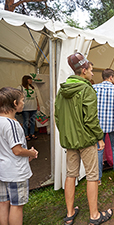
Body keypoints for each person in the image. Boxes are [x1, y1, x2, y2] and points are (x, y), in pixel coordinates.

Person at [55, 52, 112, 225]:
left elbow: (58, 117)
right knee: (92, 176)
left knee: (71, 174)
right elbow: (91, 119)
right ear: (84, 70)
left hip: (70, 141)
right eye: (92, 70)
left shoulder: (62, 89)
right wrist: (99, 138)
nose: (93, 73)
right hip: (86, 140)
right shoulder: (87, 89)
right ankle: (94, 215)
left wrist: (67, 134)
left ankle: (70, 213)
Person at [0, 87, 38, 225]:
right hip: (15, 172)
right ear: (15, 103)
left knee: (3, 203)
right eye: (22, 100)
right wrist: (32, 153)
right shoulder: (12, 124)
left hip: (2, 170)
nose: (24, 103)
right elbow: (17, 150)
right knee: (16, 205)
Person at [93, 69, 114, 185]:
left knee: (98, 150)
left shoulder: (94, 88)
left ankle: (98, 178)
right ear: (111, 77)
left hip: (98, 126)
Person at [18, 75, 40, 141]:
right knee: (26, 121)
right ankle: (26, 135)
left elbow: (36, 97)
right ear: (26, 80)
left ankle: (32, 134)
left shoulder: (32, 87)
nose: (31, 81)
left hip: (33, 107)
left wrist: (38, 105)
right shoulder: (20, 87)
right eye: (30, 79)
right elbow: (18, 97)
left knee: (33, 121)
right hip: (25, 108)